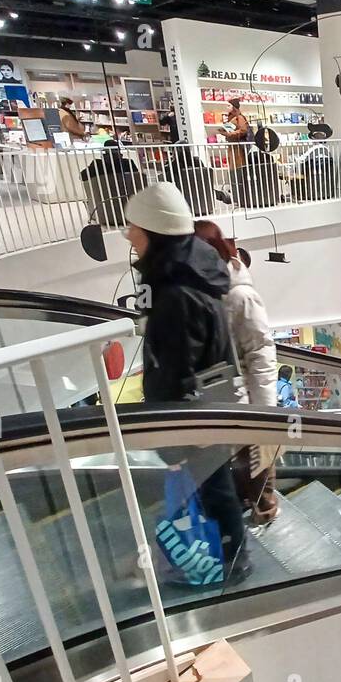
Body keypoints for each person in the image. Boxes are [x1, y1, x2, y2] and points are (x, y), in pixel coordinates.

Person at [123, 181, 248, 579]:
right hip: (210, 407)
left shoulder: (176, 291)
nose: (129, 236)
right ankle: (225, 556)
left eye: (134, 230)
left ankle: (227, 561)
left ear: (154, 235)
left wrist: (171, 439)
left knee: (211, 489)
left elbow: (174, 369)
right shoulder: (193, 275)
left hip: (193, 417)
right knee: (214, 486)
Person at [194, 219, 281, 524]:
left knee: (260, 463)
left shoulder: (240, 295)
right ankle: (250, 506)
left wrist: (265, 410)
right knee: (242, 463)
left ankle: (265, 510)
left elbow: (261, 351)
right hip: (225, 396)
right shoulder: (209, 290)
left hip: (249, 399)